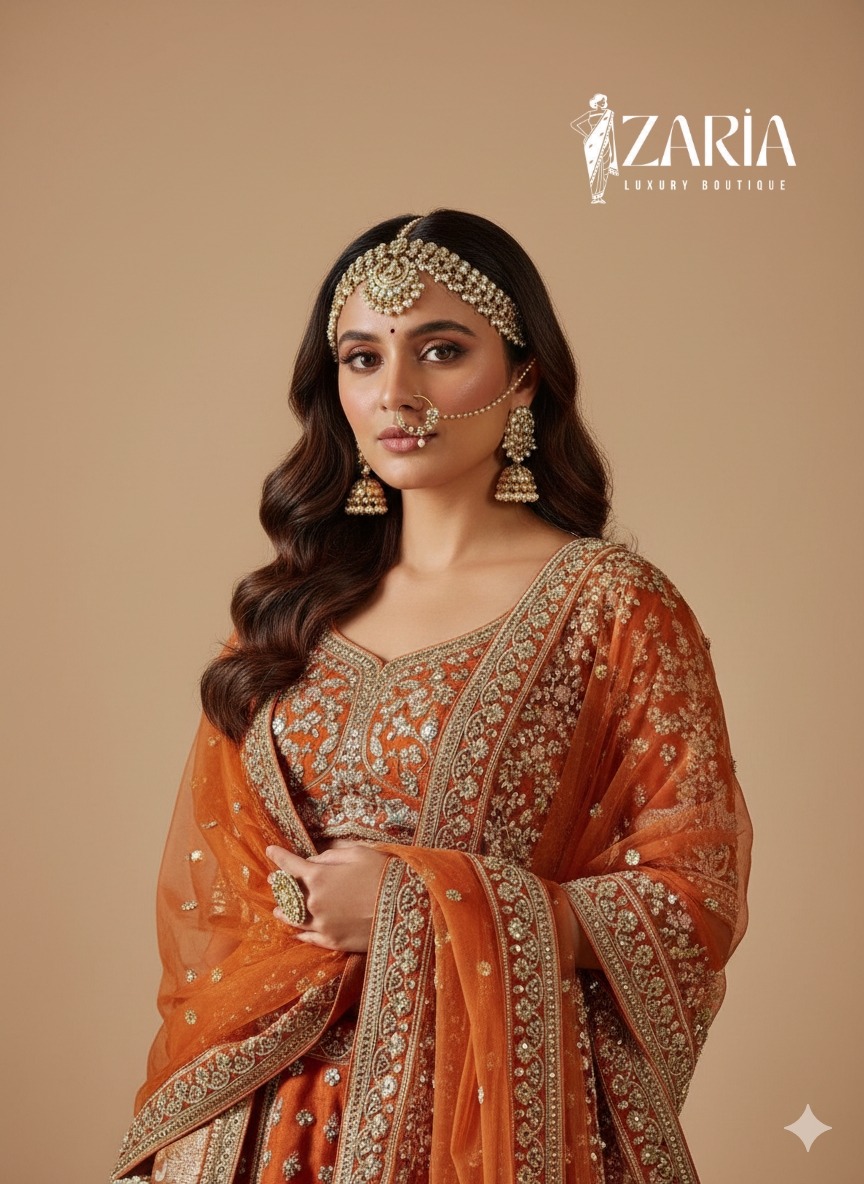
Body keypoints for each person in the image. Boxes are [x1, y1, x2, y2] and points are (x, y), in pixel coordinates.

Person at [111, 209, 752, 1184]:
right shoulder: (289, 614)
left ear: (524, 378)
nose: (396, 393)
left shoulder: (611, 606)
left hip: (487, 1117)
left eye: (442, 351)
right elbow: (223, 899)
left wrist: (415, 902)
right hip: (263, 1124)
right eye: (362, 359)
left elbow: (689, 897)